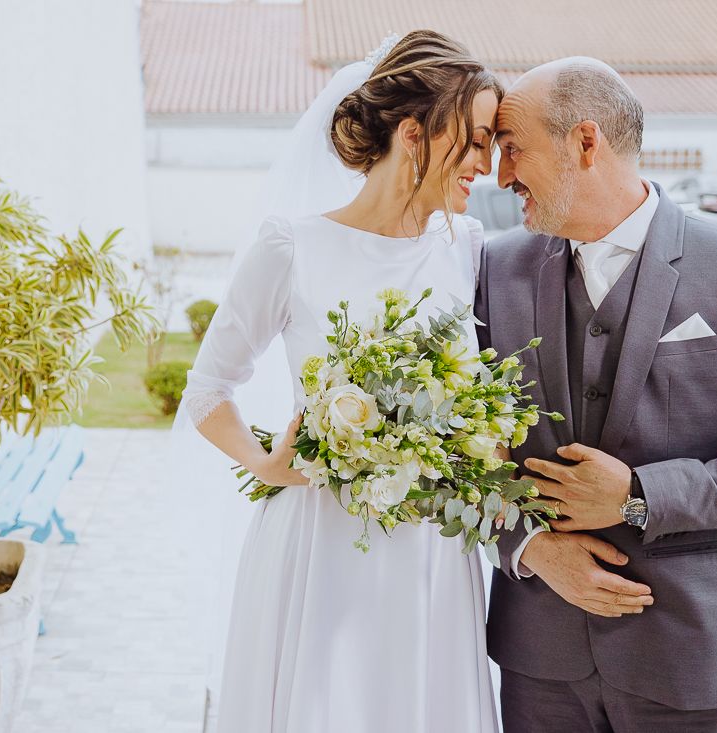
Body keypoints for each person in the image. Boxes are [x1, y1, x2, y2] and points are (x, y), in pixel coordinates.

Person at [477, 57, 717, 732]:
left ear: (585, 142)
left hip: (692, 653)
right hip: (539, 659)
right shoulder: (495, 269)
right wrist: (529, 546)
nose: (501, 175)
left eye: (513, 149)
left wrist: (639, 494)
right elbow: (461, 452)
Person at [179, 30, 502, 733]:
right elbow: (207, 390)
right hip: (320, 545)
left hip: (430, 555)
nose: (487, 162)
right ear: (414, 133)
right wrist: (269, 463)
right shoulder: (291, 245)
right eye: (474, 140)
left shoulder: (468, 249)